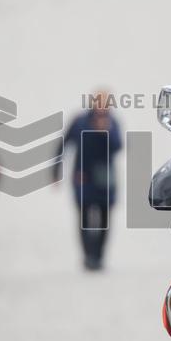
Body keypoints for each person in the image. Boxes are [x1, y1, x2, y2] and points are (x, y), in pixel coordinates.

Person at [56, 92, 123, 271]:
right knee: (84, 219)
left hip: (105, 179)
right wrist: (55, 172)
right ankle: (88, 256)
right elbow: (63, 144)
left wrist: (106, 132)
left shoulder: (112, 123)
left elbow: (118, 146)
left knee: (104, 220)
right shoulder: (80, 121)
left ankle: (99, 256)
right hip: (83, 178)